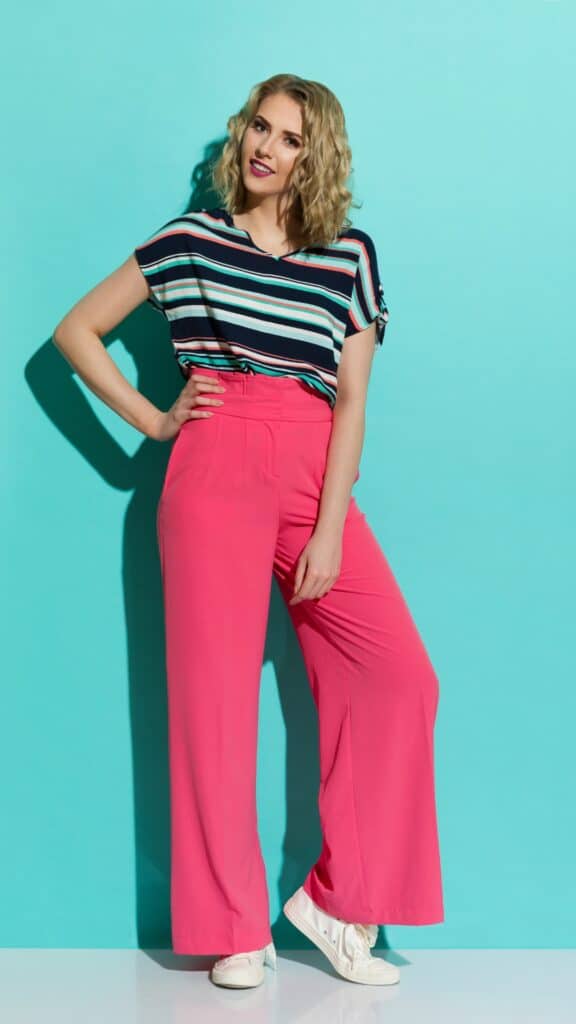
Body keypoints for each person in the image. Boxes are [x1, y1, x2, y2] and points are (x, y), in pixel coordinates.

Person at [52, 73, 444, 990]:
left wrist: (333, 522)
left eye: (291, 138)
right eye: (259, 128)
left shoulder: (350, 255)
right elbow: (76, 332)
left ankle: (341, 905)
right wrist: (153, 422)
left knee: (398, 676)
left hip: (314, 466)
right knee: (212, 703)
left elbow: (352, 399)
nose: (268, 147)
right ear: (242, 136)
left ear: (317, 156)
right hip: (213, 464)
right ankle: (233, 924)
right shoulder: (192, 242)